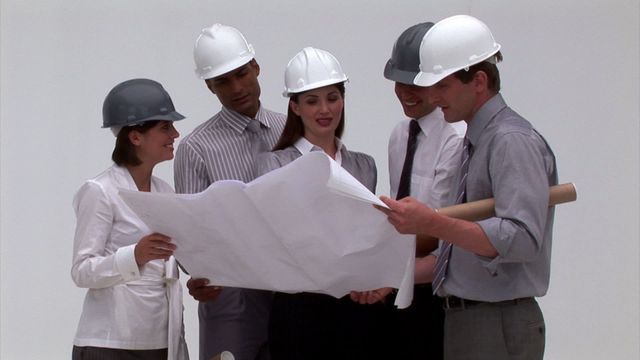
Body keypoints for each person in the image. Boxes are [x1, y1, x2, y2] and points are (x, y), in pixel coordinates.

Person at [376, 15, 557, 360]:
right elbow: (461, 252)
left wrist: (430, 223)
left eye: (442, 85)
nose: (433, 96)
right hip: (471, 317)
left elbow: (520, 240)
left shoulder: (510, 141)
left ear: (478, 81)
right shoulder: (479, 141)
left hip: (496, 320)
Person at [254, 47, 383, 360]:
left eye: (333, 97)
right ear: (295, 107)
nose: (325, 109)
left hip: (357, 305)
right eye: (312, 101)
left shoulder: (364, 165)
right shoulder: (273, 165)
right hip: (299, 308)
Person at [174, 24, 286, 360]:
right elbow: (188, 233)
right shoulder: (196, 148)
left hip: (293, 291)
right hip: (230, 296)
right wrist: (198, 273)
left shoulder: (292, 130)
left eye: (241, 74)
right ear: (209, 85)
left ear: (256, 67)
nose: (237, 87)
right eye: (223, 80)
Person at [71, 78, 188, 360]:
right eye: (165, 127)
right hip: (108, 345)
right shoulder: (100, 191)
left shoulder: (165, 192)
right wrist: (134, 255)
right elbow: (82, 270)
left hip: (160, 344)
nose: (175, 133)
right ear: (135, 137)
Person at [383, 21, 465, 359]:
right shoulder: (400, 135)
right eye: (400, 82)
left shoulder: (456, 138)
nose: (407, 92)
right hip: (398, 289)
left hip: (435, 293)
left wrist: (378, 266)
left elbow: (441, 232)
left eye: (419, 83)